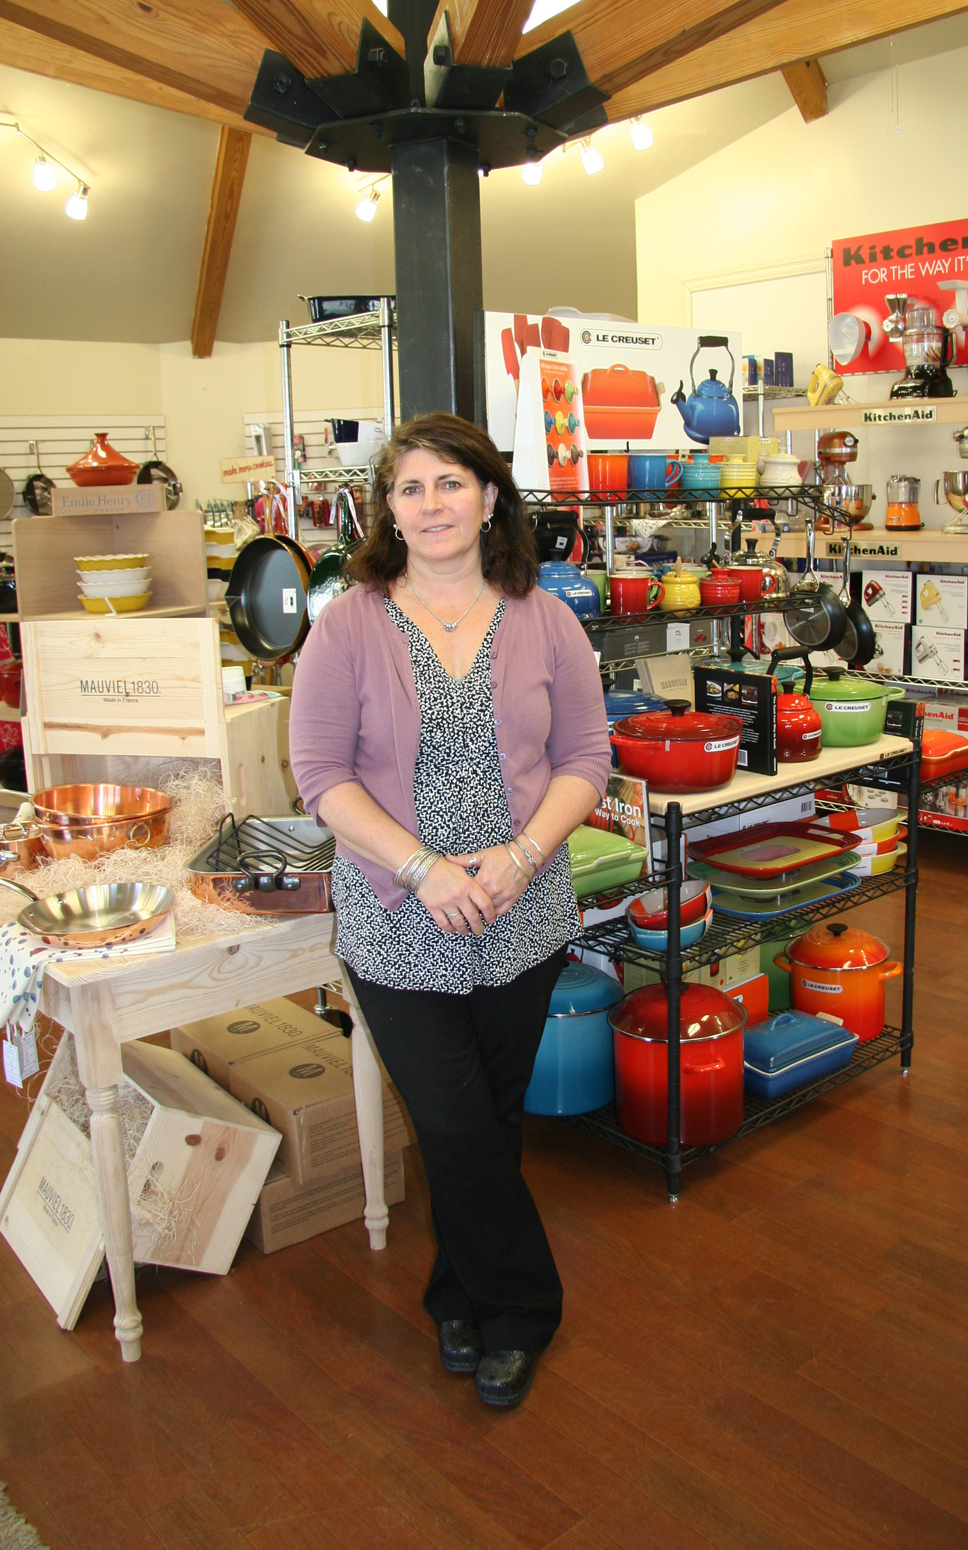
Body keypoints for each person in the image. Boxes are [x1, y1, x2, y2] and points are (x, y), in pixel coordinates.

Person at [289, 411, 611, 1410]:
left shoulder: (544, 615)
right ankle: (524, 1306)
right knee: (452, 1118)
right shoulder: (347, 621)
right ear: (388, 510)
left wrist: (519, 858)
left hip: (520, 905)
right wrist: (426, 869)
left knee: (487, 1121)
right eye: (411, 488)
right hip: (398, 913)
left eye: (451, 483)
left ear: (488, 498)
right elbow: (320, 775)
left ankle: (458, 1294)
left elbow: (585, 758)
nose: (432, 505)